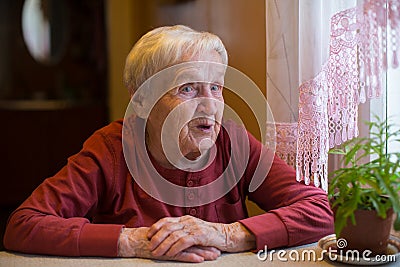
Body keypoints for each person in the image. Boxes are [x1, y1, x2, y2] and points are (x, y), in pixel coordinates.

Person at [3, 25, 333, 263]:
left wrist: (226, 235)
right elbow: (24, 225)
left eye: (216, 88)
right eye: (188, 88)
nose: (209, 105)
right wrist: (134, 241)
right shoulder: (111, 149)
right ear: (142, 100)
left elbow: (321, 210)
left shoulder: (233, 143)